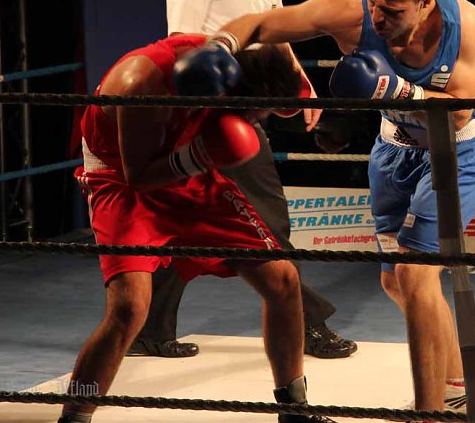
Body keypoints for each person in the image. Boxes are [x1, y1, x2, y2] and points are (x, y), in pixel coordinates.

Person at [175, 0, 475, 414]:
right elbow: (261, 22)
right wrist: (219, 47)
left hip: (457, 151)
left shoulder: (462, 21)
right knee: (397, 283)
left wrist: (390, 86)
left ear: (425, 2)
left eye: (391, 10)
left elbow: (457, 111)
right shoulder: (349, 13)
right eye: (373, 4)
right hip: (393, 151)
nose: (378, 19)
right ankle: (453, 389)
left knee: (414, 274)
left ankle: (428, 412)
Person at [128, 0, 356, 360]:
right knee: (267, 214)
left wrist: (299, 80)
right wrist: (201, 117)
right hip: (214, 105)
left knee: (197, 220)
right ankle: (306, 324)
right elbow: (182, 45)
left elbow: (273, 25)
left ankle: (147, 328)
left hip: (253, 99)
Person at [59, 34, 334, 423]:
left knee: (283, 280)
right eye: (256, 113)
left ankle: (294, 410)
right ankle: (74, 416)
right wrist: (202, 154)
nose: (256, 123)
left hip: (182, 169)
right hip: (122, 177)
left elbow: (271, 30)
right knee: (128, 309)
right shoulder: (141, 82)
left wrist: (299, 100)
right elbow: (139, 176)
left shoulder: (223, 63)